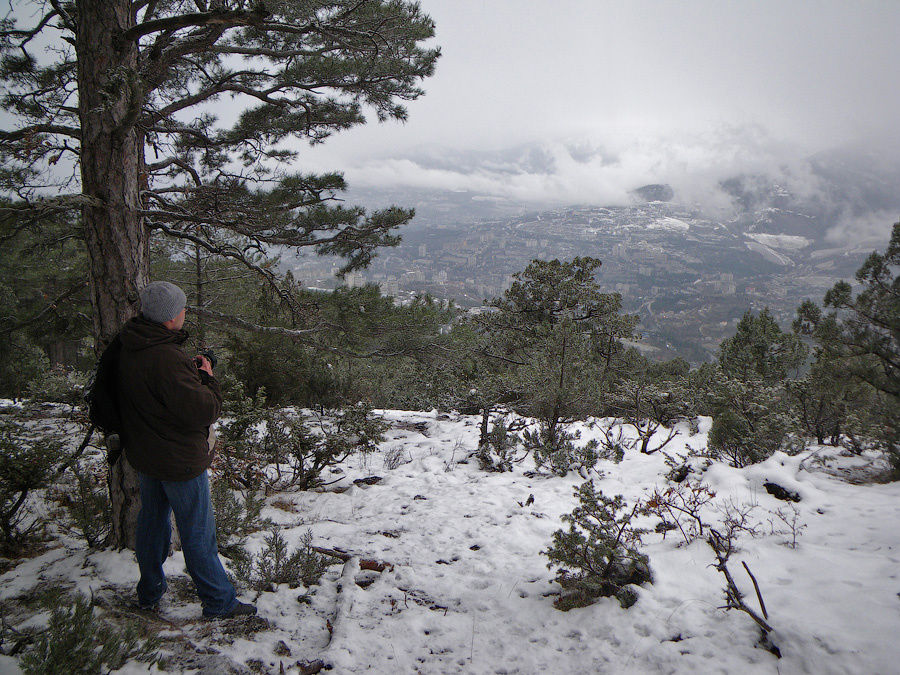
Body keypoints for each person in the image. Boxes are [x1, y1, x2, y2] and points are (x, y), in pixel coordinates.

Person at [117, 281, 256, 619]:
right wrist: (207, 377)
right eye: (181, 309)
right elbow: (204, 410)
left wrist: (187, 374)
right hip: (178, 460)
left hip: (146, 455)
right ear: (169, 317)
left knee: (151, 525)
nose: (184, 313)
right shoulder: (166, 358)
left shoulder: (129, 346)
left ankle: (149, 592)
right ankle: (218, 601)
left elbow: (157, 395)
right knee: (197, 534)